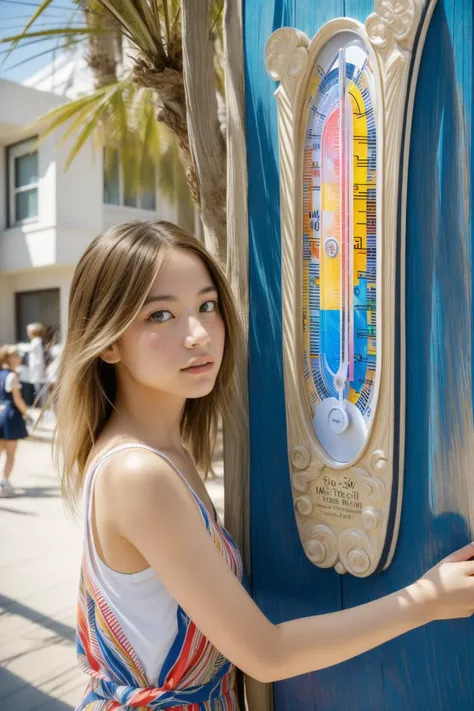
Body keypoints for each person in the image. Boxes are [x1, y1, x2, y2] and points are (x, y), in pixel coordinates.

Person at [50, 221, 474, 711]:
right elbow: (264, 654)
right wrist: (425, 600)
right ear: (108, 341)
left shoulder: (166, 452)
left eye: (207, 306)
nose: (198, 334)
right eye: (160, 315)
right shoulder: (138, 474)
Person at [0, 345, 29, 497]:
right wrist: (27, 413)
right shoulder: (12, 376)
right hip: (10, 416)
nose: (19, 358)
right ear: (8, 358)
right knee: (10, 453)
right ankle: (4, 482)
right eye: (16, 355)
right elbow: (17, 400)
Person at [26, 322, 47, 407]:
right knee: (39, 388)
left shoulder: (36, 341)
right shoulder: (37, 341)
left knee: (40, 389)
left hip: (38, 370)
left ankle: (43, 405)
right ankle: (42, 404)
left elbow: (29, 349)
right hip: (37, 369)